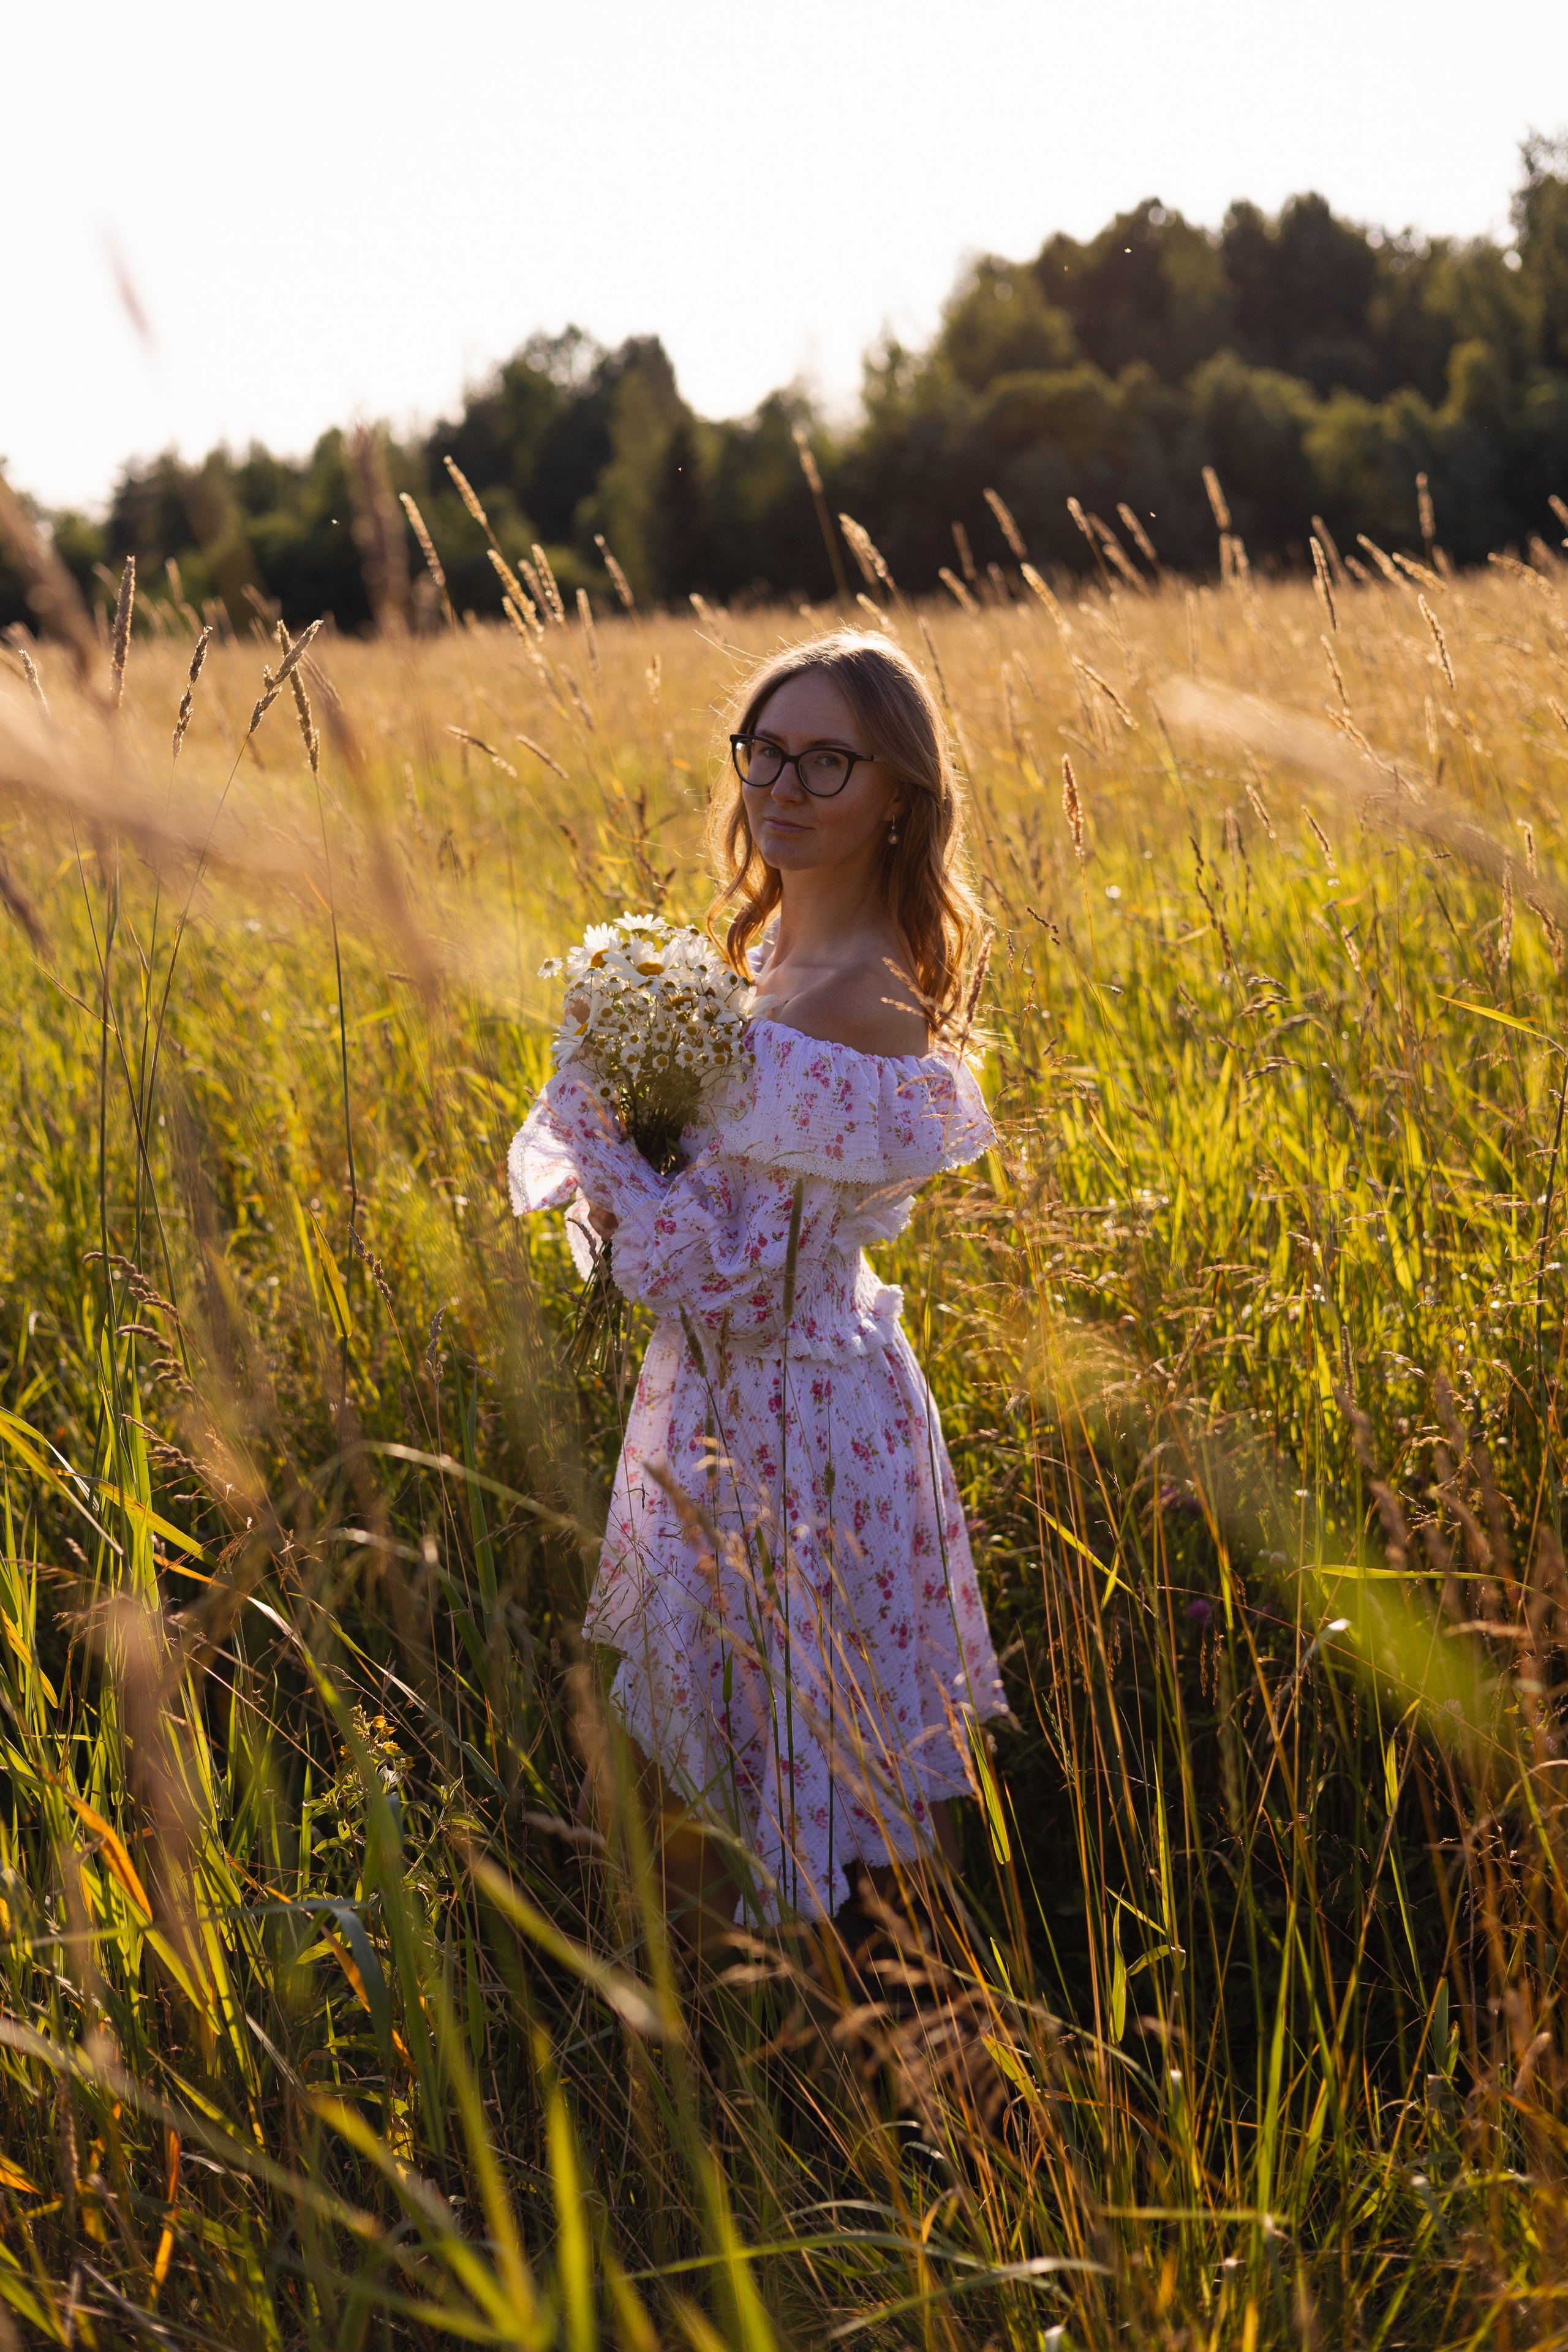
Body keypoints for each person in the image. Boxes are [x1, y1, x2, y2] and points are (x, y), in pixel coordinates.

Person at [509, 630, 1006, 1949]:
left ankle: (869, 2080)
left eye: (826, 760)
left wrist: (606, 1153)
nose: (780, 784)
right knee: (706, 1773)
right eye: (764, 750)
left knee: (816, 1770)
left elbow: (723, 1272)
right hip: (713, 1411)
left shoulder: (856, 1005)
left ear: (896, 792)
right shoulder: (756, 980)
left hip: (801, 1426)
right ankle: (732, 2093)